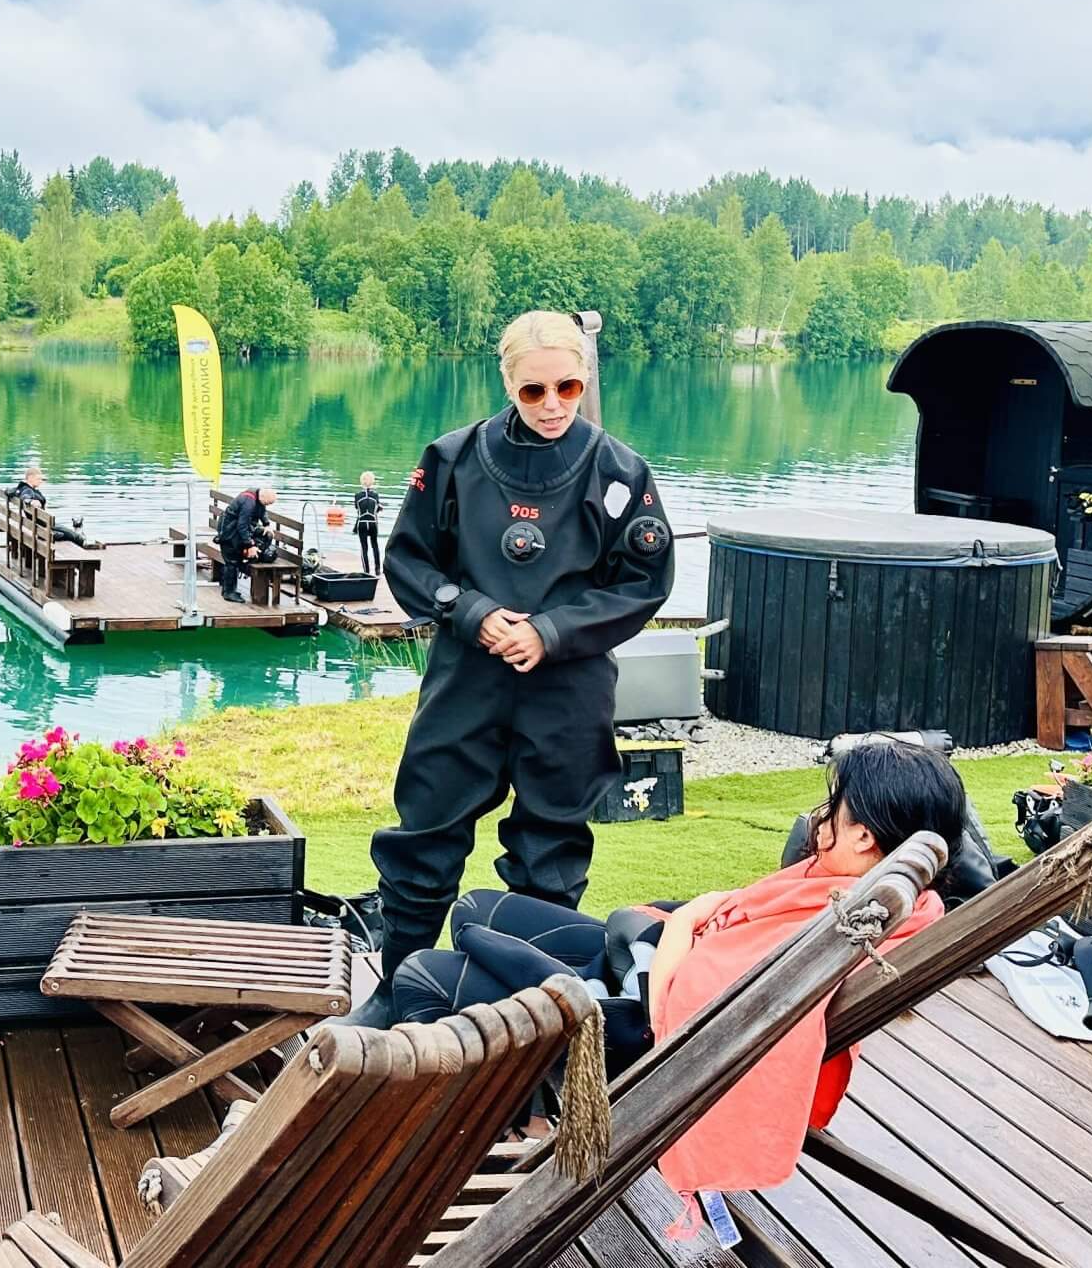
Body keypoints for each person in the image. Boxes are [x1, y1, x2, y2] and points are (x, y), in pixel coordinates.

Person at [390, 737, 961, 1145]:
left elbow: (684, 1005)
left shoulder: (838, 914)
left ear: (862, 833)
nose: (822, 816)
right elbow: (726, 930)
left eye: (835, 806)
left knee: (426, 967)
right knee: (476, 908)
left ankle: (496, 1129)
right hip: (651, 982)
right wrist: (684, 919)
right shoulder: (892, 900)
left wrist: (679, 925)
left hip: (639, 1028)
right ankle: (530, 1099)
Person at [358, 310, 675, 1026]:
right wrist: (472, 613)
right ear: (507, 382)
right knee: (424, 834)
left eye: (567, 385)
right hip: (466, 680)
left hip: (568, 689)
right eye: (534, 391)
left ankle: (520, 1016)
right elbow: (409, 559)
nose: (554, 404)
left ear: (584, 378)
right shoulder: (452, 460)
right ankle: (393, 993)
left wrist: (554, 633)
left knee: (550, 852)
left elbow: (643, 582)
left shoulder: (619, 472)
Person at [213, 485, 278, 603]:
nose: (267, 505)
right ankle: (229, 593)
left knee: (266, 535)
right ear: (262, 497)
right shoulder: (248, 503)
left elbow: (262, 510)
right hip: (230, 533)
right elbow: (241, 526)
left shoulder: (258, 497)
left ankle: (248, 558)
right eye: (267, 503)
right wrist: (250, 545)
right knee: (231, 562)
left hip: (239, 530)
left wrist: (267, 524)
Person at [11, 465, 96, 548]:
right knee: (71, 535)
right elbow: (25, 497)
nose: (41, 481)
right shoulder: (27, 490)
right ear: (30, 478)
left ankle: (79, 532)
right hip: (43, 527)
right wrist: (31, 501)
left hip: (40, 526)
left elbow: (10, 491)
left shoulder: (21, 488)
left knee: (67, 533)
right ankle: (83, 541)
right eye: (38, 479)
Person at [353, 471, 385, 576]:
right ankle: (377, 570)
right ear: (372, 482)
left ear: (361, 481)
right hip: (372, 523)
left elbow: (358, 508)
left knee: (364, 548)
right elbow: (376, 508)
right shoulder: (375, 495)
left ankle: (366, 571)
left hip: (362, 522)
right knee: (375, 545)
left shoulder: (357, 495)